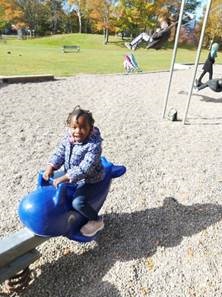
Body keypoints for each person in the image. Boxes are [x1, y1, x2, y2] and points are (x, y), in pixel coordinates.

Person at [43, 105, 105, 237]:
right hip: (70, 173)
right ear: (69, 127)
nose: (78, 131)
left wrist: (65, 177)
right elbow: (59, 153)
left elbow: (86, 168)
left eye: (83, 127)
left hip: (89, 179)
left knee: (78, 202)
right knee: (50, 182)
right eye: (74, 127)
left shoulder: (93, 145)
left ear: (90, 128)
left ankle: (96, 220)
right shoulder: (68, 139)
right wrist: (51, 166)